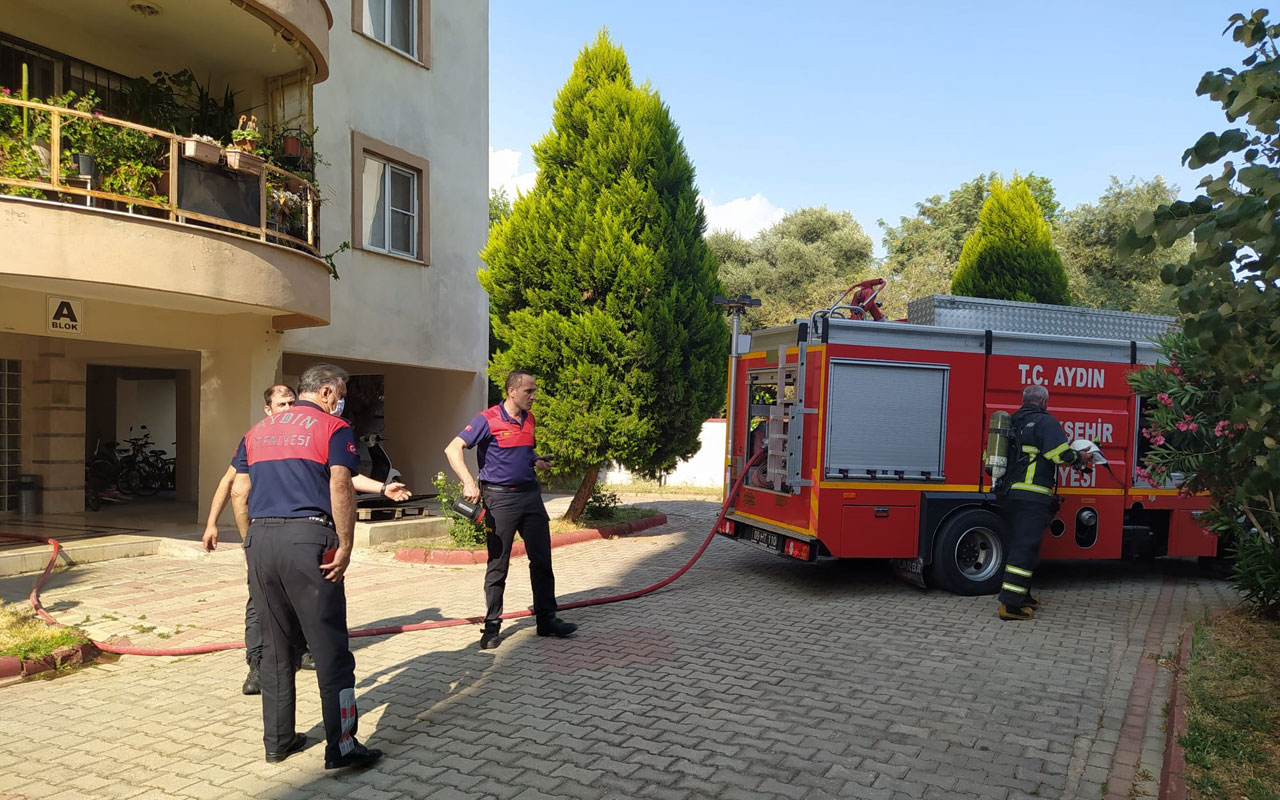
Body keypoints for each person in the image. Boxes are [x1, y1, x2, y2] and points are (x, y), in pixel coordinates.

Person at [202, 384, 410, 695]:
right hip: (273, 537)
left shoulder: (309, 435)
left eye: (291, 401)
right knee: (262, 607)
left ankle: (301, 655)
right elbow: (234, 486)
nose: (288, 408)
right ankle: (258, 665)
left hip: (288, 537)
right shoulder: (258, 436)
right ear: (268, 409)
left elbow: (343, 477)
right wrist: (217, 527)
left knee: (302, 599)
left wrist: (382, 488)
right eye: (281, 404)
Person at [230, 364, 382, 769]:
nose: (342, 400)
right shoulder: (333, 428)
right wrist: (346, 545)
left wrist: (250, 543)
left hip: (261, 540)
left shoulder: (256, 432)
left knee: (276, 650)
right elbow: (340, 484)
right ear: (329, 392)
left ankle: (278, 742)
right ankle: (343, 746)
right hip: (309, 541)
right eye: (342, 392)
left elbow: (240, 491)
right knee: (331, 649)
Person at [444, 369, 577, 650]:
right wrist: (468, 482)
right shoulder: (487, 419)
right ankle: (492, 626)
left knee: (542, 560)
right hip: (499, 500)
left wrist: (536, 460)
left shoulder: (530, 420)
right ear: (512, 391)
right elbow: (452, 449)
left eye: (534, 391)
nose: (533, 396)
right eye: (529, 391)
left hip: (530, 497)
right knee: (498, 564)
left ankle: (547, 619)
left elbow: (524, 452)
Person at [995, 384, 1092, 621]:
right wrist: (1081, 457)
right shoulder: (1045, 422)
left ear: (1024, 400)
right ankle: (1011, 606)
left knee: (1022, 547)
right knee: (1025, 549)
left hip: (1009, 495)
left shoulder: (1012, 422)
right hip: (1032, 496)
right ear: (1045, 402)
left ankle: (1022, 595)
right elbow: (1060, 455)